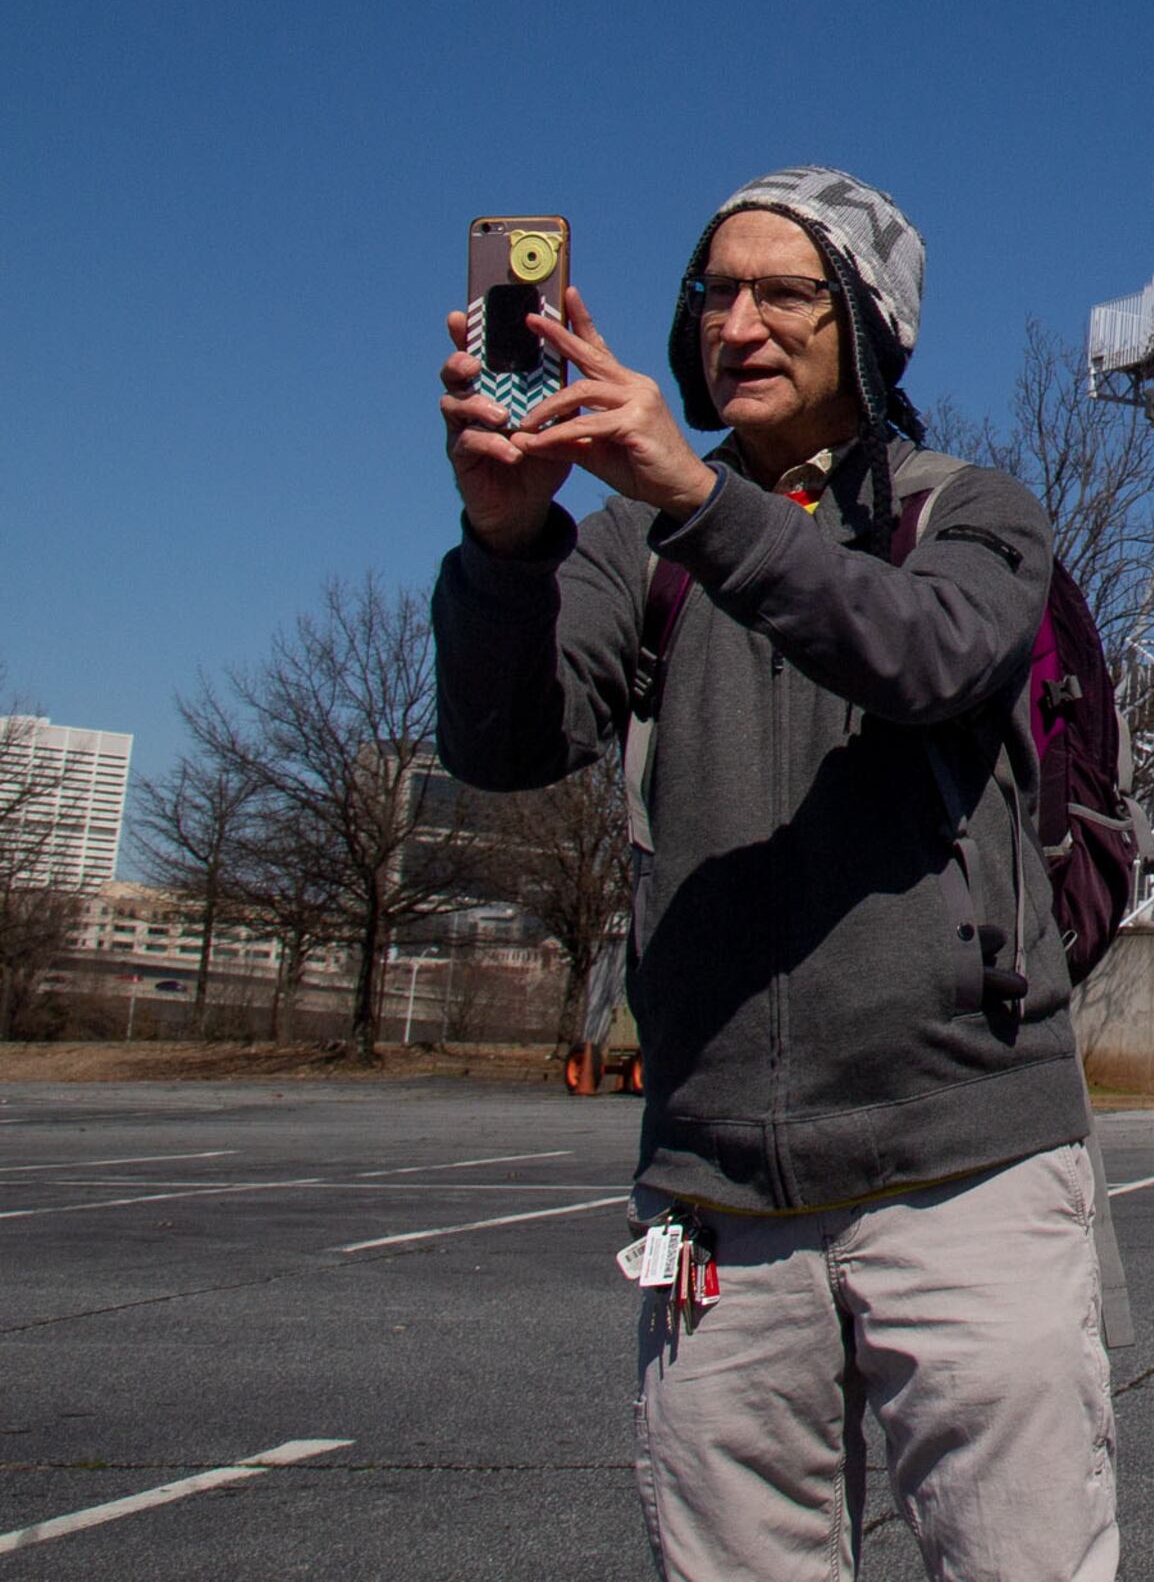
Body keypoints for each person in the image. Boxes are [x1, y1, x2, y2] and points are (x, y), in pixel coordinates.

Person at [433, 168, 1116, 1581]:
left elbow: (919, 654)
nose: (735, 322)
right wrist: (505, 540)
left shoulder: (971, 515)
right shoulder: (635, 546)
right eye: (712, 292)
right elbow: (507, 743)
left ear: (866, 323)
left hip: (968, 1161)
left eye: (781, 292)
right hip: (717, 1188)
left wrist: (694, 498)